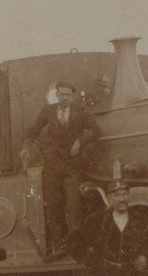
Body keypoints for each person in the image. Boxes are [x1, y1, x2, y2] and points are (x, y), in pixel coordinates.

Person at [24, 81, 98, 257]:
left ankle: (75, 247)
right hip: (51, 166)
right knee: (53, 206)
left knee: (74, 206)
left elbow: (95, 131)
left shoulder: (81, 112)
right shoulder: (47, 111)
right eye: (62, 94)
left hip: (72, 166)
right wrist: (27, 147)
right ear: (57, 95)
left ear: (72, 96)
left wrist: (80, 142)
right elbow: (32, 132)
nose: (65, 98)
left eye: (68, 95)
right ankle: (60, 247)